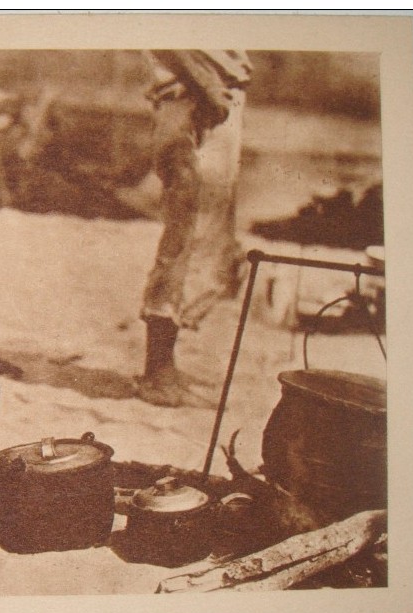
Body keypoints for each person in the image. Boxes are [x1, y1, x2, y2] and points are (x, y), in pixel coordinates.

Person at [137, 50, 252, 408]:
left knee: (210, 238)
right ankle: (156, 371)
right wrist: (207, 85)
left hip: (216, 96)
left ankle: (164, 363)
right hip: (191, 98)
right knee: (183, 237)